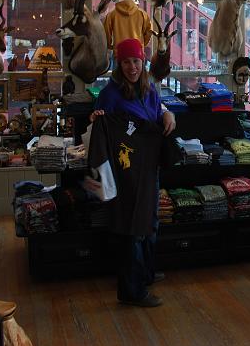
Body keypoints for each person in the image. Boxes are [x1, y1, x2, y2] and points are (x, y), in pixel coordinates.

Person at [89, 38, 176, 308]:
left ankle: (145, 273)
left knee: (150, 222)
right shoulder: (110, 94)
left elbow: (157, 112)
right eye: (126, 62)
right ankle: (132, 290)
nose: (132, 67)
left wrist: (167, 114)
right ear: (119, 64)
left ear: (143, 61)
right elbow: (99, 127)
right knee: (133, 227)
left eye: (136, 61)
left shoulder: (149, 90)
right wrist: (97, 118)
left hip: (148, 166)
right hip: (126, 171)